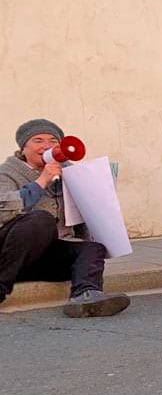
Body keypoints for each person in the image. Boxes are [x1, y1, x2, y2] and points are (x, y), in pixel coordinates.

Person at [0, 120, 130, 317]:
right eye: (38, 140)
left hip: (44, 259)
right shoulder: (7, 173)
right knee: (40, 220)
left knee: (93, 248)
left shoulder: (69, 173)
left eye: (53, 141)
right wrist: (42, 181)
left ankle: (86, 295)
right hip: (9, 255)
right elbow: (3, 209)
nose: (47, 146)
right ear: (23, 147)